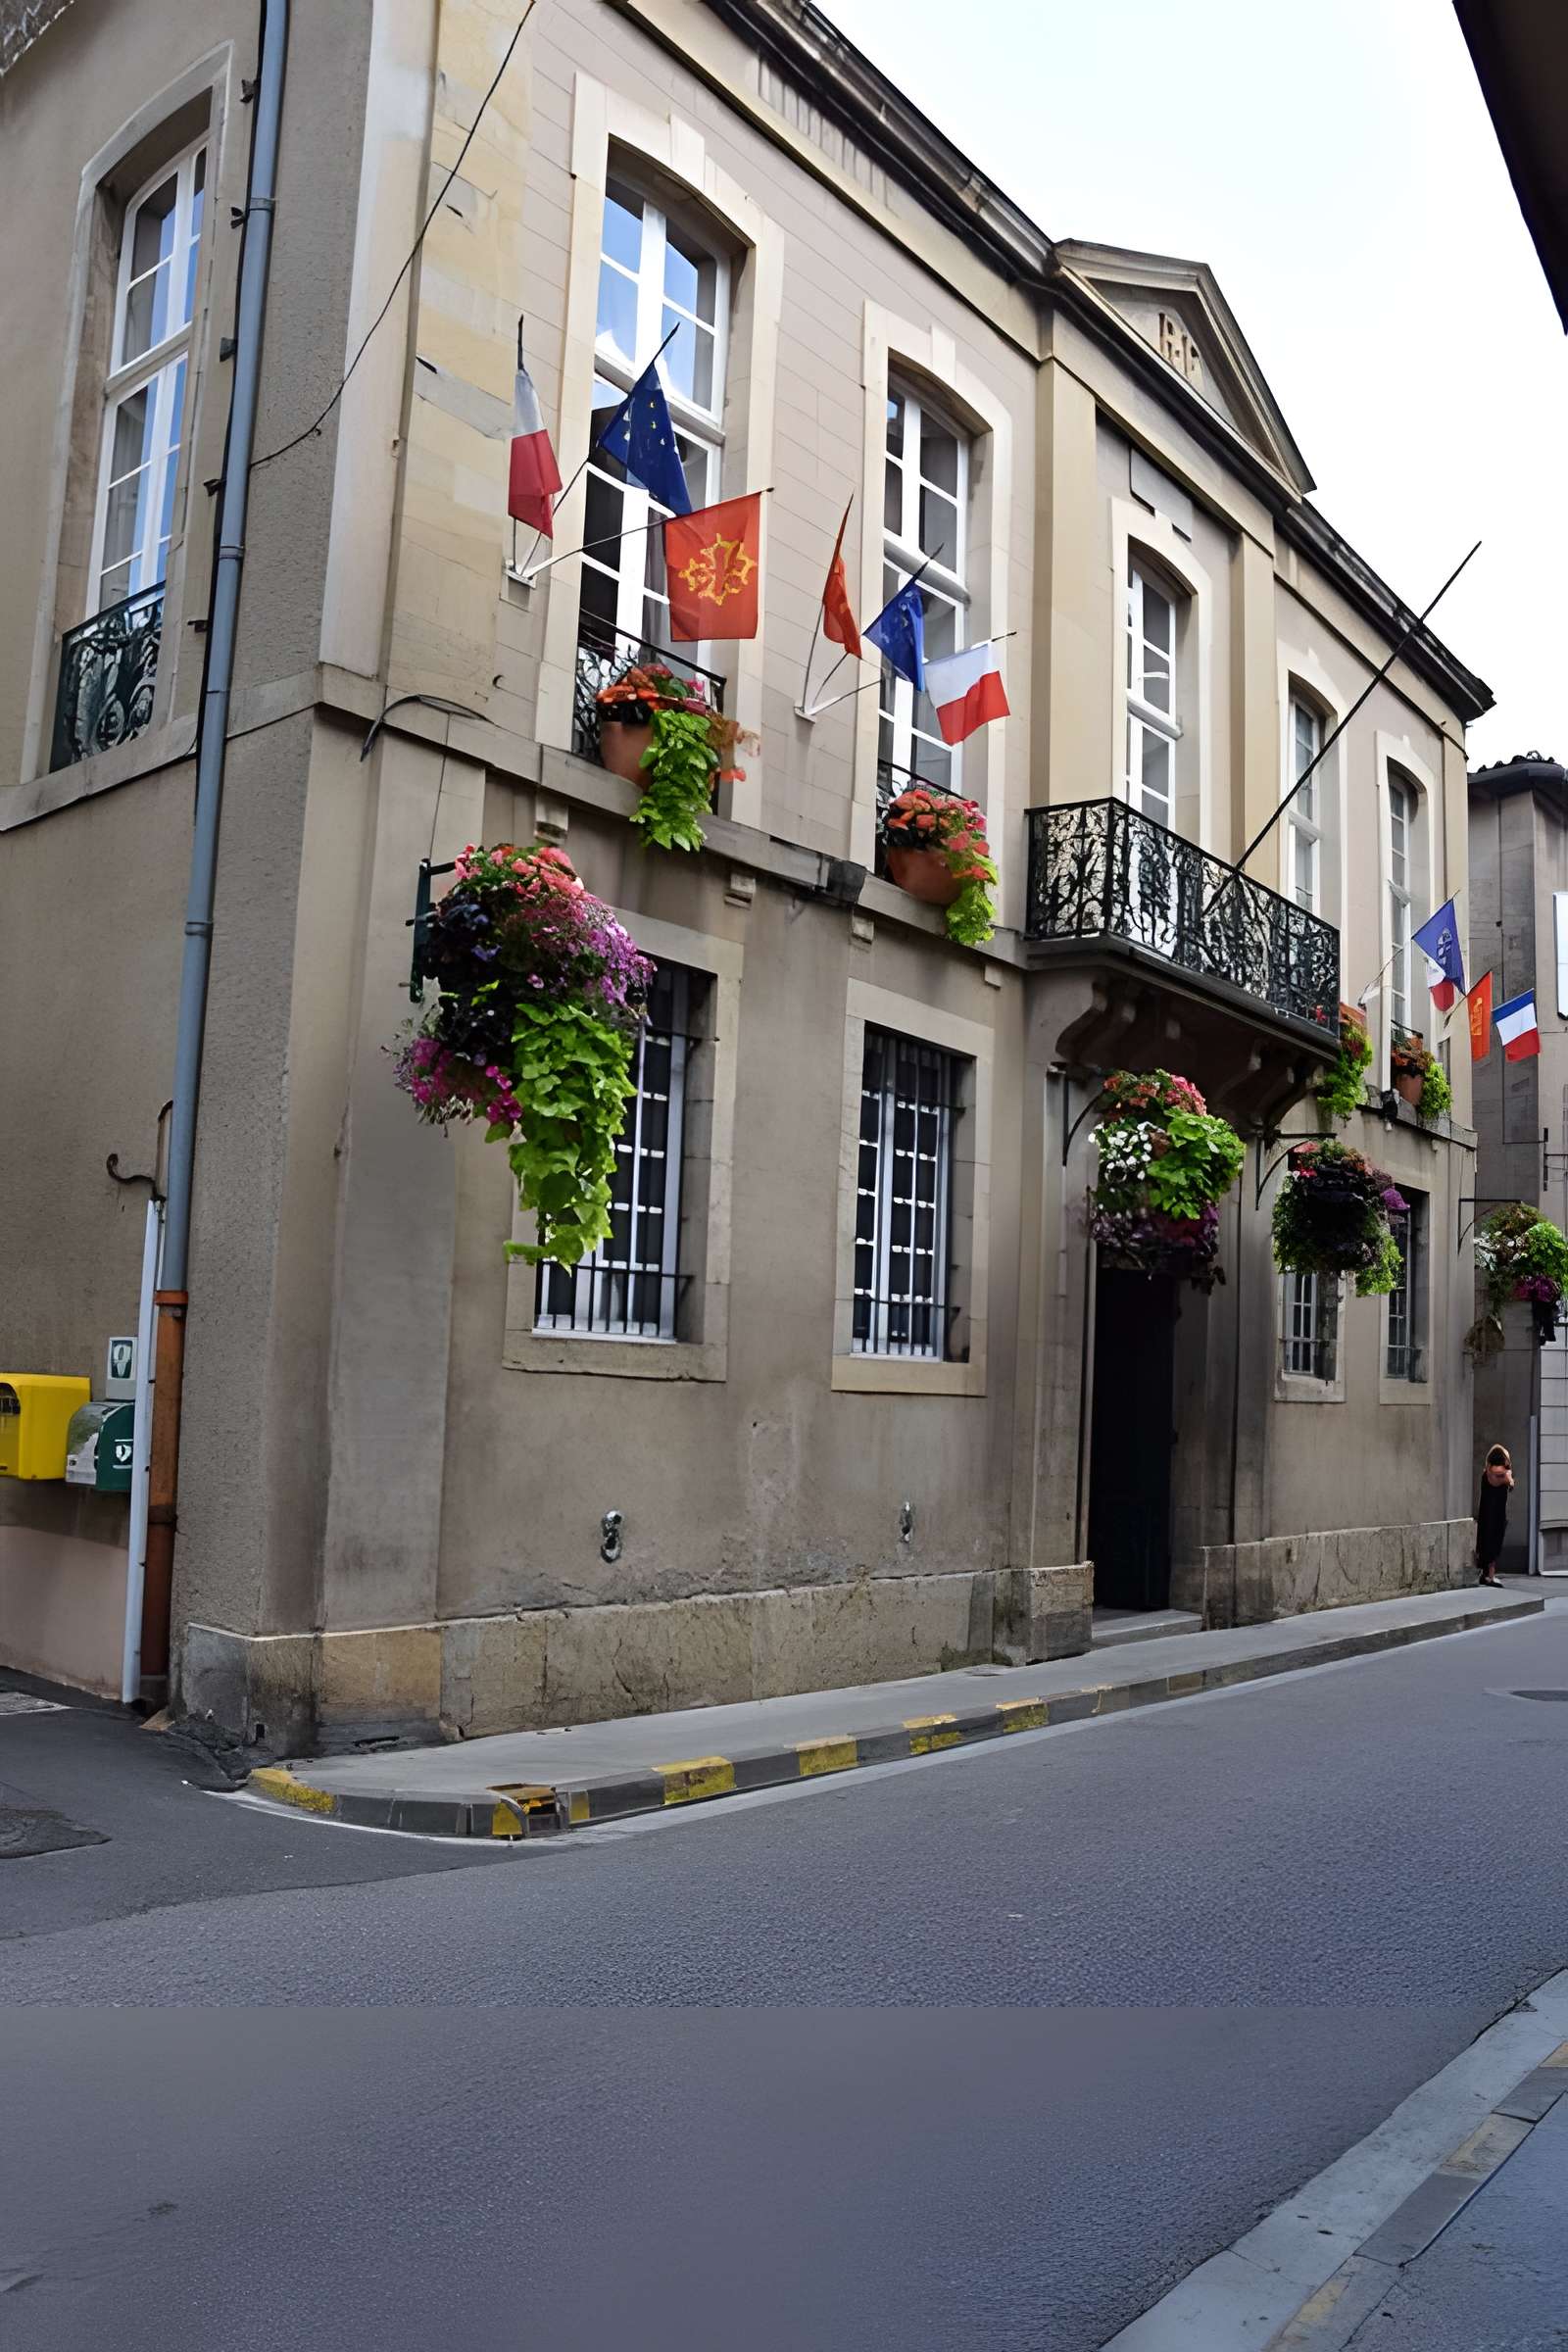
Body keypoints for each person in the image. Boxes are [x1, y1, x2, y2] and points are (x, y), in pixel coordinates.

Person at [1477, 1445, 1514, 1588]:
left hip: (1485, 1514)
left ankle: (1484, 1574)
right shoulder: (1504, 1474)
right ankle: (1490, 1577)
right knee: (1494, 1543)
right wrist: (1509, 1478)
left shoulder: (1486, 1473)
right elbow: (1510, 1482)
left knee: (1484, 1541)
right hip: (1497, 1514)